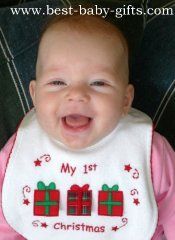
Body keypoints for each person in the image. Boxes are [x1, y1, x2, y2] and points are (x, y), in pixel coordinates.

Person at [0, 13, 175, 240]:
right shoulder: (22, 149)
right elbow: (5, 212)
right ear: (34, 94)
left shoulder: (149, 151)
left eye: (98, 83)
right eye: (57, 82)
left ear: (125, 99)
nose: (77, 94)